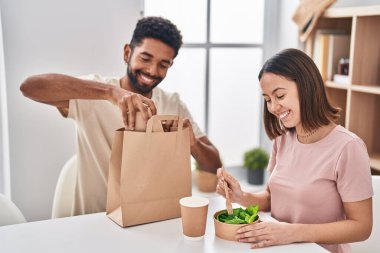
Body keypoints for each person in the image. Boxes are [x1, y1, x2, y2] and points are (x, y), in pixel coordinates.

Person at [20, 16, 222, 216]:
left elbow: (214, 166)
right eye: (145, 58)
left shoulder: (173, 104)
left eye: (163, 64)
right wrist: (110, 93)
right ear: (127, 53)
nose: (152, 70)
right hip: (93, 224)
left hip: (150, 223)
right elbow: (30, 87)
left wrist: (192, 144)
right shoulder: (94, 94)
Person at [216, 48, 373, 253]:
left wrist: (293, 232)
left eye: (279, 95)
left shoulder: (348, 148)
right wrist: (241, 196)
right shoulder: (281, 141)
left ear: (306, 86)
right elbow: (274, 199)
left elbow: (361, 227)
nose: (273, 107)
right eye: (267, 99)